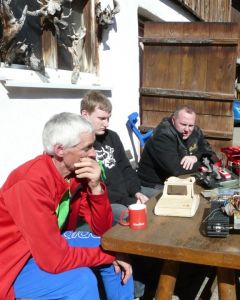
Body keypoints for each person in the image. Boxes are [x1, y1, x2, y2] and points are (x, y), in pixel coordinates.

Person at [0, 112, 133, 300]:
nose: (93, 153)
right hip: (12, 262)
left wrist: (96, 188)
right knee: (81, 281)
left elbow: (101, 229)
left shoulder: (75, 175)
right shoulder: (30, 183)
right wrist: (109, 256)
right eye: (86, 148)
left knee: (113, 246)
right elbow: (54, 260)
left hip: (46, 245)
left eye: (93, 146)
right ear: (60, 150)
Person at [80, 91, 149, 225]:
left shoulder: (112, 137)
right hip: (108, 202)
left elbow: (126, 168)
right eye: (101, 118)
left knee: (159, 199)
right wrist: (129, 201)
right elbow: (93, 187)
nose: (107, 124)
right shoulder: (81, 144)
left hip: (126, 194)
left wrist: (136, 192)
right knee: (133, 216)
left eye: (108, 118)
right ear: (85, 115)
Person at [138, 105, 218, 196]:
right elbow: (175, 170)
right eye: (183, 124)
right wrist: (201, 164)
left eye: (191, 125)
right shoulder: (162, 135)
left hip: (182, 181)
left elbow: (211, 155)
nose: (187, 129)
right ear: (173, 120)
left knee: (214, 193)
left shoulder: (195, 132)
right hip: (155, 185)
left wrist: (196, 157)